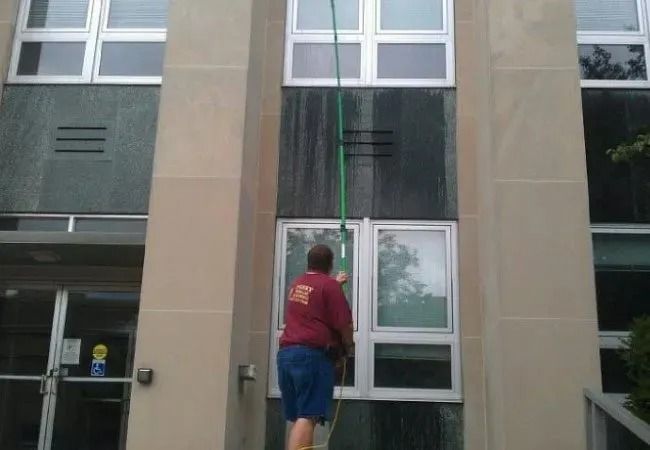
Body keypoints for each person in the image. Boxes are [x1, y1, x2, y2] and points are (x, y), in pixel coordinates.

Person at [277, 244, 354, 450]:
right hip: (310, 356)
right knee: (308, 416)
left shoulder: (297, 284)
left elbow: (315, 300)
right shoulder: (329, 286)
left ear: (308, 262)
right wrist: (349, 346)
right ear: (330, 264)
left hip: (286, 355)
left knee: (300, 418)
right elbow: (344, 324)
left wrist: (334, 285)